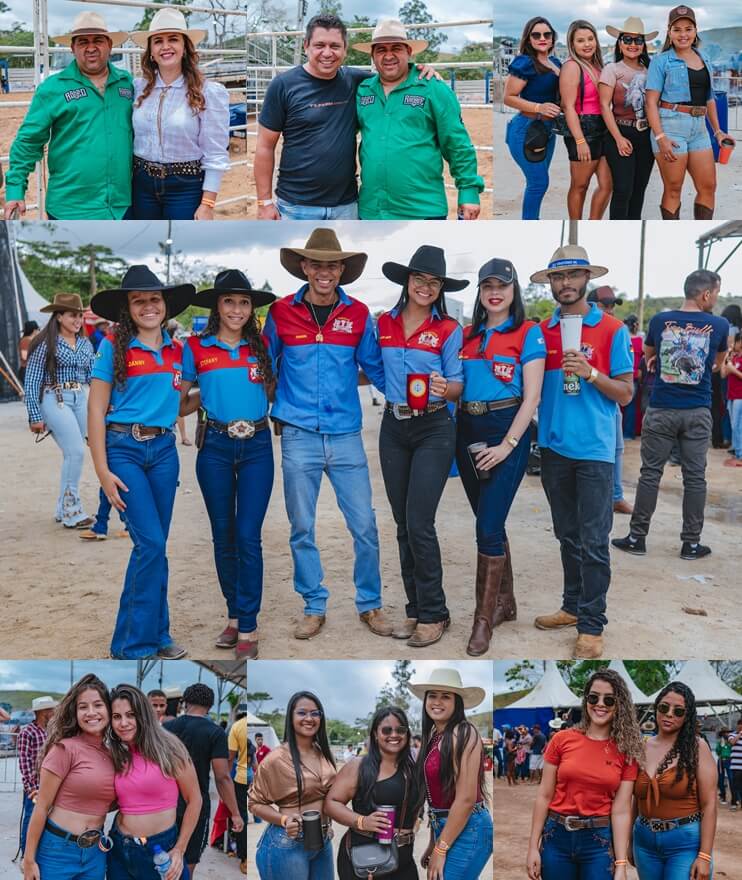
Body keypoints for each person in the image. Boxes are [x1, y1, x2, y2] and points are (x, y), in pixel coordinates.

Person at [263, 228, 392, 641]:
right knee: (302, 526)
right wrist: (264, 411)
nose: (324, 271)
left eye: (331, 264)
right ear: (304, 267)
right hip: (298, 434)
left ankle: (369, 604)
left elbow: (375, 367)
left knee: (365, 526)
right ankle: (313, 604)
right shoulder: (281, 312)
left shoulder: (358, 314)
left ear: (341, 270)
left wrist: (420, 395)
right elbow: (264, 368)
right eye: (316, 263)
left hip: (345, 435)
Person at [87, 265, 196, 659]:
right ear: (127, 308)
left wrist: (217, 391)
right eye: (139, 301)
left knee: (157, 546)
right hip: (124, 450)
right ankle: (130, 644)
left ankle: (160, 635)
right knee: (149, 544)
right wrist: (102, 472)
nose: (148, 306)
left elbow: (180, 403)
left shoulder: (179, 351)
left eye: (154, 299)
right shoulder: (112, 347)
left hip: (164, 452)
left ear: (165, 305)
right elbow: (96, 410)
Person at [531, 246, 634, 659]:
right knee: (566, 536)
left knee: (594, 541)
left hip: (594, 451)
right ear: (551, 283)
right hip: (554, 449)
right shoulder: (542, 330)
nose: (566, 284)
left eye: (574, 275)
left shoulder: (611, 330)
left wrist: (591, 373)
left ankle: (592, 625)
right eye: (559, 277)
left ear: (586, 279)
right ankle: (572, 606)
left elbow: (625, 394)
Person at [254, 14, 438, 220]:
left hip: (346, 205)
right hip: (297, 206)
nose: (327, 53)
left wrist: (419, 70)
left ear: (345, 49)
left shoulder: (357, 81)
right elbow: (264, 146)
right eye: (319, 45)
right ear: (306, 46)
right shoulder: (283, 85)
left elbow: (394, 74)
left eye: (335, 46)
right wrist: (264, 202)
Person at [178, 271, 276, 659]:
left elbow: (271, 390)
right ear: (216, 306)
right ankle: (234, 614)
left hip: (256, 445)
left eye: (244, 302)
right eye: (229, 302)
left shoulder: (262, 345)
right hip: (215, 445)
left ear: (252, 309)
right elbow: (181, 401)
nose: (237, 309)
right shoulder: (195, 348)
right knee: (223, 535)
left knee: (248, 534)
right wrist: (206, 395)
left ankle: (248, 624)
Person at [376, 246, 466, 648]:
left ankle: (435, 613)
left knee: (419, 522)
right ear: (406, 281)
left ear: (440, 288)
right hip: (394, 425)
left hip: (434, 426)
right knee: (401, 524)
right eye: (419, 279)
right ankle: (414, 610)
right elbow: (375, 369)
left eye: (433, 282)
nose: (425, 287)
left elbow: (458, 382)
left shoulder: (448, 328)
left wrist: (447, 389)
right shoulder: (385, 323)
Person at [456, 258, 546, 655]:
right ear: (479, 291)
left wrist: (508, 445)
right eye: (487, 285)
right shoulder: (467, 335)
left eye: (502, 285)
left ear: (514, 291)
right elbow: (460, 387)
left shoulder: (529, 333)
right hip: (467, 431)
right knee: (488, 521)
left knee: (487, 527)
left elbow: (532, 397)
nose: (495, 292)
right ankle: (506, 602)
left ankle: (483, 619)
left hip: (506, 430)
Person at [613, 269, 729, 561]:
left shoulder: (661, 320)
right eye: (715, 293)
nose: (715, 298)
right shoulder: (719, 324)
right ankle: (690, 544)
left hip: (662, 408)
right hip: (697, 411)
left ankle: (637, 537)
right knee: (695, 478)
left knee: (650, 473)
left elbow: (649, 355)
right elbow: (717, 363)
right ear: (706, 294)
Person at [4, 12, 133, 220]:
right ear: (73, 48)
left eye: (98, 40)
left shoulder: (127, 84)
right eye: (83, 42)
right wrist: (15, 189)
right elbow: (28, 141)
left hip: (122, 206)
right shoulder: (52, 89)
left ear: (109, 45)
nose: (91, 48)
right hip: (71, 209)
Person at [354, 20, 484, 220]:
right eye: (381, 50)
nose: (388, 55)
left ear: (409, 51)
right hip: (371, 210)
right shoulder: (362, 90)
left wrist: (469, 191)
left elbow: (457, 143)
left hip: (422, 210)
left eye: (396, 48)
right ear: (372, 55)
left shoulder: (434, 88)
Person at [526, 669, 642, 880]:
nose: (600, 704)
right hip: (556, 837)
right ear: (585, 699)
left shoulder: (627, 751)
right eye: (593, 697)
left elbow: (622, 810)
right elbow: (544, 795)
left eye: (609, 700)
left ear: (619, 705)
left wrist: (621, 865)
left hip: (599, 842)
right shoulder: (561, 739)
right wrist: (533, 847)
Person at [128, 8, 230, 220]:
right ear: (151, 52)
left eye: (173, 39)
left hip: (185, 186)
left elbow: (216, 152)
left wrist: (207, 204)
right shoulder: (138, 88)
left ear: (185, 47)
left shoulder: (208, 92)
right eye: (158, 41)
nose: (165, 46)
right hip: (141, 183)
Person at [645, 5, 735, 220]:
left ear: (695, 31)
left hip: (699, 129)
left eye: (688, 29)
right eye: (677, 29)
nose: (683, 34)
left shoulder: (704, 58)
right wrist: (660, 137)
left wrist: (718, 132)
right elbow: (651, 102)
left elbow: (709, 97)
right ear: (670, 32)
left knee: (708, 186)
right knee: (674, 188)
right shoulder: (661, 61)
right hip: (670, 127)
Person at [22, 674, 115, 880]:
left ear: (108, 709)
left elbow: (106, 802)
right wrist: (29, 860)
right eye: (83, 707)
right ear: (75, 712)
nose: (91, 712)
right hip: (57, 851)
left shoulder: (112, 755)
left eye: (98, 705)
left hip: (95, 852)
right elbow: (42, 807)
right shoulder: (64, 749)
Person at [107, 684, 202, 880]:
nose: (123, 723)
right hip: (119, 847)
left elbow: (194, 799)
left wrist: (179, 849)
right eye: (117, 717)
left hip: (159, 851)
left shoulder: (169, 747)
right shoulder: (117, 752)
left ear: (143, 714)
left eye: (130, 715)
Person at [407, 668, 492, 880]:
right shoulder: (433, 736)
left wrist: (440, 849)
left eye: (446, 696)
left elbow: (465, 799)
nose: (437, 702)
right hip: (446, 827)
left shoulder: (464, 732)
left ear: (457, 703)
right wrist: (434, 842)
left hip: (469, 828)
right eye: (432, 696)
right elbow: (434, 795)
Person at [325, 705, 423, 880]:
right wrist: (362, 821)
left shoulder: (412, 767)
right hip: (366, 861)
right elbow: (331, 803)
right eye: (386, 730)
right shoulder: (359, 766)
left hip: (404, 859)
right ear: (376, 735)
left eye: (400, 729)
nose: (394, 734)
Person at [24, 293, 95, 529]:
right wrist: (34, 415)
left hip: (80, 396)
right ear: (59, 316)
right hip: (54, 397)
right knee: (75, 452)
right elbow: (32, 381)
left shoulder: (86, 343)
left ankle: (61, 507)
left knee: (84, 448)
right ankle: (72, 511)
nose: (78, 320)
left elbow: (93, 377)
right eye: (73, 315)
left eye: (80, 316)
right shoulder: (46, 345)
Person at [633, 682, 717, 880]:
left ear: (686, 716)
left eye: (678, 711)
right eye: (664, 707)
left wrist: (704, 856)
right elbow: (633, 800)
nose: (669, 714)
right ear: (656, 708)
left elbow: (710, 804)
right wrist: (629, 840)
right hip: (644, 842)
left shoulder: (698, 747)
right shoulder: (641, 747)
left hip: (685, 843)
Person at [249, 691, 337, 880]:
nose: (309, 718)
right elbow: (254, 804)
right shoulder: (276, 759)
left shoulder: (323, 752)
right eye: (302, 713)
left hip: (323, 840)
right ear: (291, 717)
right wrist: (284, 820)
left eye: (315, 713)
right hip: (287, 843)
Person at [164, 684, 244, 878]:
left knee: (161, 858)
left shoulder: (166, 728)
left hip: (164, 804)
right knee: (188, 861)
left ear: (185, 702)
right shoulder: (215, 732)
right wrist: (235, 813)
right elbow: (222, 777)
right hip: (197, 806)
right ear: (210, 706)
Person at [503, 17, 562, 220]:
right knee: (539, 183)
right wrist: (539, 107)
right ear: (529, 39)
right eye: (536, 35)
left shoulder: (555, 62)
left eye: (547, 34)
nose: (542, 38)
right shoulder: (525, 62)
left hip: (548, 130)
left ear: (553, 38)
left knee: (537, 182)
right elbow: (508, 98)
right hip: (526, 128)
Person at [599, 17, 657, 219]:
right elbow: (605, 106)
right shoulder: (611, 70)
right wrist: (618, 138)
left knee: (639, 189)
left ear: (644, 44)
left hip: (645, 134)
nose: (633, 44)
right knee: (623, 189)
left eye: (638, 40)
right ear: (620, 42)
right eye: (627, 39)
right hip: (620, 131)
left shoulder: (651, 71)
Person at [586, 286, 633, 515]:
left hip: (611, 400)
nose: (611, 310)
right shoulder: (587, 330)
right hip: (589, 403)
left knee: (617, 449)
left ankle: (616, 495)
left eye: (613, 306)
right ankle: (613, 496)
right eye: (606, 305)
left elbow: (625, 385)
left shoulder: (615, 331)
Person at [560, 20, 611, 220]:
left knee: (607, 185)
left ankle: (593, 222)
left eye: (590, 39)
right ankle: (576, 226)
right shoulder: (572, 67)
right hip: (583, 128)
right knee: (580, 185)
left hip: (603, 127)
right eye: (580, 40)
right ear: (572, 45)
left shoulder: (598, 66)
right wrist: (580, 141)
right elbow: (568, 107)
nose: (587, 44)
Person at [17, 696, 58, 856]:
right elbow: (24, 761)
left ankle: (39, 850)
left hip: (49, 784)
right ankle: (25, 852)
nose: (53, 712)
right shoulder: (28, 732)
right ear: (42, 712)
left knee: (46, 818)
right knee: (30, 817)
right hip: (35, 786)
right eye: (50, 709)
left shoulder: (51, 731)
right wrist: (31, 788)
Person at [227, 714, 250, 871]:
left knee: (241, 815)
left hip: (240, 777)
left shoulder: (237, 726)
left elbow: (229, 758)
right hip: (250, 776)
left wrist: (226, 784)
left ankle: (244, 857)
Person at [721, 332, 742, 467]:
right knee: (734, 425)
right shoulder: (734, 358)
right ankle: (737, 452)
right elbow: (723, 374)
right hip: (732, 396)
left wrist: (733, 370)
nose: (733, 344)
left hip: (740, 396)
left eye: (735, 342)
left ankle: (740, 455)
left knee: (737, 425)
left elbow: (734, 372)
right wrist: (725, 360)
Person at [729, 720, 742, 811]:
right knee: (735, 786)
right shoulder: (732, 735)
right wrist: (740, 734)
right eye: (740, 725)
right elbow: (732, 742)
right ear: (737, 726)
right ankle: (734, 803)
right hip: (736, 767)